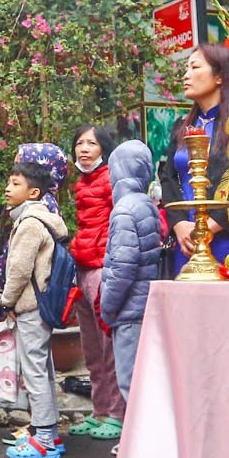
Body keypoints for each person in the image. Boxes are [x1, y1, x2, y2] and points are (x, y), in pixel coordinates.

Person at [0, 158, 69, 458]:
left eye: (16, 184)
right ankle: (49, 432)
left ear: (34, 193)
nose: (7, 188)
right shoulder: (41, 220)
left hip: (30, 306)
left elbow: (18, 270)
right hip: (41, 306)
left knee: (34, 371)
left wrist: (6, 301)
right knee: (43, 368)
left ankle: (43, 439)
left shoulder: (29, 224)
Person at [98, 140, 162, 428]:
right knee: (146, 378)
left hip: (128, 310)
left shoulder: (123, 210)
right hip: (145, 304)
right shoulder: (146, 204)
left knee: (130, 382)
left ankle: (141, 450)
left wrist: (107, 306)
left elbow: (122, 267)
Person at [66, 125, 122, 441]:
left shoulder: (111, 179)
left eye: (92, 143)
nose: (84, 148)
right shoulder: (81, 182)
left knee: (109, 345)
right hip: (83, 266)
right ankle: (99, 411)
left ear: (105, 149)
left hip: (102, 268)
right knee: (91, 347)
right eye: (79, 143)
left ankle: (116, 414)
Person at [167, 43, 229, 271]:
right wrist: (179, 224)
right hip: (186, 241)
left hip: (226, 239)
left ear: (219, 76)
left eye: (195, 67)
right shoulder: (181, 127)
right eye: (186, 69)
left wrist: (208, 227)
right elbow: (168, 178)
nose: (186, 75)